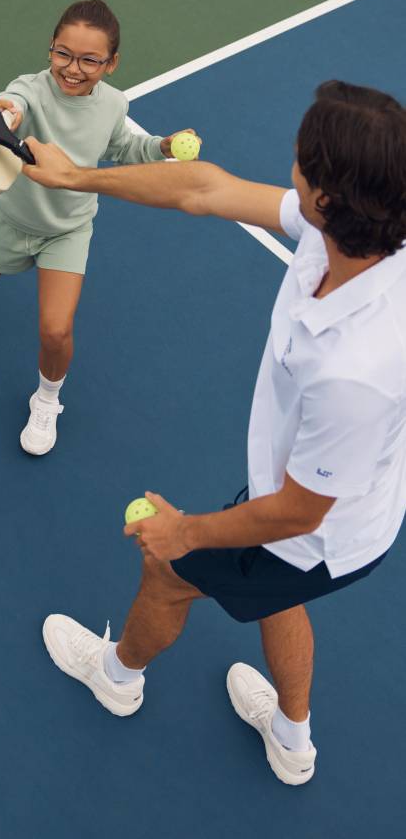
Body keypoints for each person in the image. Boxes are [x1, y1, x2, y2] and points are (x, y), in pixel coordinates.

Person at [23, 80, 406, 785]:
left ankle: (117, 675)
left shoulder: (354, 370)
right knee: (278, 594)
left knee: (167, 574)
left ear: (327, 197)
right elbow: (204, 188)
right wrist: (76, 176)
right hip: (314, 501)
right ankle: (292, 739)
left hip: (311, 531)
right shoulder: (357, 233)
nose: (289, 164)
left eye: (300, 160)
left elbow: (297, 513)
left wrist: (186, 533)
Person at [0, 0, 196, 454]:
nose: (73, 68)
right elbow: (11, 106)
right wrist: (5, 114)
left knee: (56, 330)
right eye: (63, 54)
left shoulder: (113, 104)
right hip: (13, 216)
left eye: (90, 60)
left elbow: (123, 147)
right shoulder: (29, 90)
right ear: (50, 47)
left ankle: (47, 399)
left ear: (111, 63)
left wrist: (162, 146)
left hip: (68, 230)